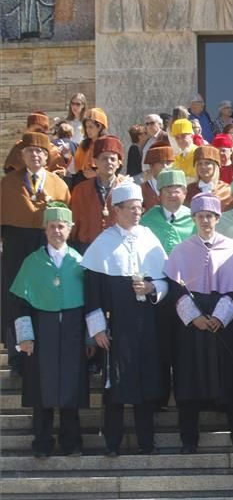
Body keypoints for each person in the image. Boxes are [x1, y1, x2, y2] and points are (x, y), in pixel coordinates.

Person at [81, 181, 168, 456]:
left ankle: (147, 442)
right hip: (116, 327)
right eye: (131, 209)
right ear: (116, 210)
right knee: (115, 388)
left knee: (145, 383)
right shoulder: (102, 244)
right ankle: (112, 444)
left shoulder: (149, 238)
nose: (136, 213)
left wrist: (153, 288)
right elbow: (92, 294)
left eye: (139, 208)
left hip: (147, 325)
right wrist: (97, 330)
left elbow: (165, 280)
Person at [164, 193, 233, 454]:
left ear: (217, 218)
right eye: (200, 216)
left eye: (209, 217)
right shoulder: (181, 249)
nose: (205, 221)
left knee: (230, 380)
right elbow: (174, 288)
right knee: (190, 379)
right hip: (193, 325)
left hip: (222, 324)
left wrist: (220, 317)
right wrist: (195, 318)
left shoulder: (230, 247)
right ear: (193, 219)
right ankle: (188, 439)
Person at [9, 203, 88, 457]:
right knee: (41, 390)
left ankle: (71, 442)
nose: (56, 231)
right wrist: (25, 338)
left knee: (70, 388)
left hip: (72, 333)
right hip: (42, 332)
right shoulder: (32, 262)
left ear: (70, 229)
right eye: (52, 226)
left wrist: (89, 337)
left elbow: (90, 303)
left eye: (61, 226)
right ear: (45, 229)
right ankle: (42, 443)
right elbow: (20, 304)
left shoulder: (80, 262)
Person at [1, 131, 72, 361]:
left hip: (46, 244)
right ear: (21, 155)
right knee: (16, 297)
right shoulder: (8, 184)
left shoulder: (58, 185)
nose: (35, 155)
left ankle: (48, 349)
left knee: (47, 292)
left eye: (40, 151)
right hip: (16, 246)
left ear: (46, 156)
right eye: (30, 151)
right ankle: (17, 353)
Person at [69, 135, 127, 252]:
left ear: (119, 163)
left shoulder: (127, 188)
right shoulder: (81, 190)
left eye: (113, 159)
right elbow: (74, 221)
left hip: (118, 248)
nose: (109, 162)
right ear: (95, 162)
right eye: (104, 158)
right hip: (87, 248)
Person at [138, 168, 194, 254]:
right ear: (159, 195)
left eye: (176, 192)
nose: (172, 195)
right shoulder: (147, 220)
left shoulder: (194, 219)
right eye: (167, 192)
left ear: (185, 194)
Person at [187, 146, 233, 210]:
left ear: (215, 166)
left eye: (207, 163)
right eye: (200, 164)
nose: (203, 167)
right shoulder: (189, 190)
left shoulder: (226, 190)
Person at [141, 144, 174, 209]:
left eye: (168, 163)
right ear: (151, 166)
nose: (165, 167)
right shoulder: (142, 189)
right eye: (161, 163)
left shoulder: (178, 188)